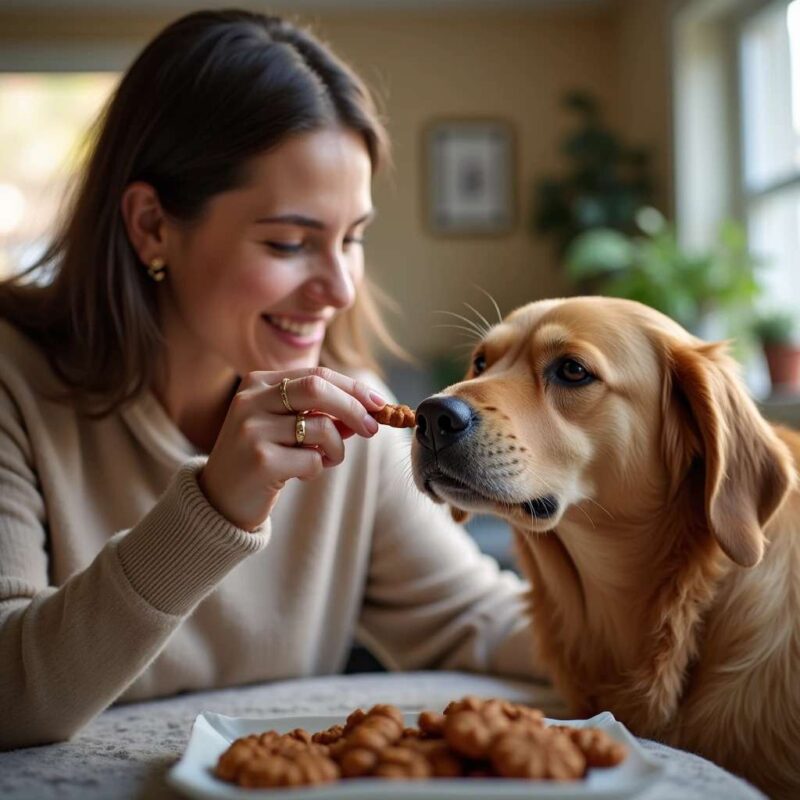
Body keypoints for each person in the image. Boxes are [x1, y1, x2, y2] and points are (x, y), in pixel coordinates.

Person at [0, 9, 538, 750]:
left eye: (352, 239)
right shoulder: (13, 388)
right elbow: (9, 698)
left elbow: (480, 621)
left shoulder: (351, 415)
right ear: (153, 225)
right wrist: (216, 505)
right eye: (290, 241)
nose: (341, 289)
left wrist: (723, 619)